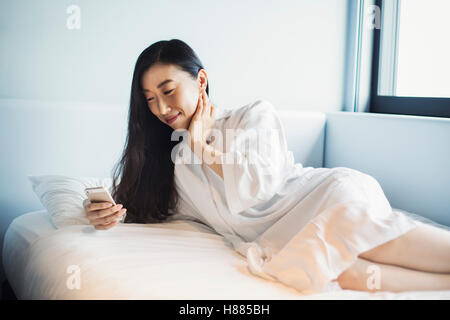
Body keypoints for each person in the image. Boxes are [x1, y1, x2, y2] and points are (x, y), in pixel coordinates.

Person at [84, 39, 450, 294]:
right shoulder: (176, 162)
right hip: (287, 236)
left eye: (167, 91)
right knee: (347, 275)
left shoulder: (252, 116)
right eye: (149, 99)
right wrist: (103, 210)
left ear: (201, 80)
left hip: (327, 199)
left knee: (364, 238)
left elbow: (256, 186)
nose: (161, 109)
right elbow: (150, 206)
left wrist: (202, 146)